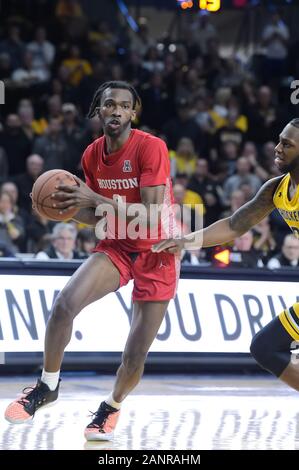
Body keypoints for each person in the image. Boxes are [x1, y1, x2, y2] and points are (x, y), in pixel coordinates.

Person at [5, 81, 179, 441]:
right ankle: (47, 385)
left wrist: (92, 196)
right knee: (64, 305)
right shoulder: (91, 155)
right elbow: (96, 213)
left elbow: (149, 216)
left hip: (158, 251)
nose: (116, 110)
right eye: (108, 104)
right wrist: (67, 211)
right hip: (117, 243)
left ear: (133, 112)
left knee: (134, 354)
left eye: (124, 105)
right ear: (98, 111)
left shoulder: (151, 148)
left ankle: (111, 407)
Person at [152, 118, 299, 394]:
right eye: (279, 140)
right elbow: (234, 225)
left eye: (287, 144)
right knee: (265, 348)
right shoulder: (275, 189)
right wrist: (186, 241)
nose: (277, 148)